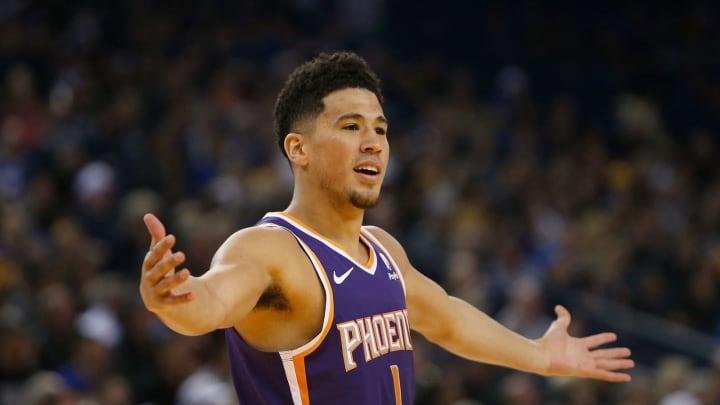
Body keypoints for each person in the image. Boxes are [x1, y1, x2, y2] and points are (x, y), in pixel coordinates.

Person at [140, 51, 634, 404]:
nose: (373, 142)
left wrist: (541, 355)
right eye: (351, 127)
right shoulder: (269, 249)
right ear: (299, 149)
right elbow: (209, 304)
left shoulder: (382, 249)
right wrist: (172, 300)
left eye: (380, 128)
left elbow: (448, 320)